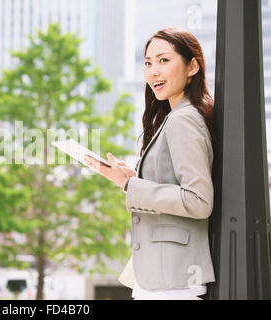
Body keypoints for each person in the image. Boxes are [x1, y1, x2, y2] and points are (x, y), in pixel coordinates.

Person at [85, 27, 217, 300]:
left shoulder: (183, 119)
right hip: (165, 278)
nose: (153, 71)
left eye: (163, 60)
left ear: (192, 66)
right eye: (147, 63)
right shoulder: (178, 116)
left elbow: (199, 200)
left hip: (173, 281)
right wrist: (134, 179)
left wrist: (130, 185)